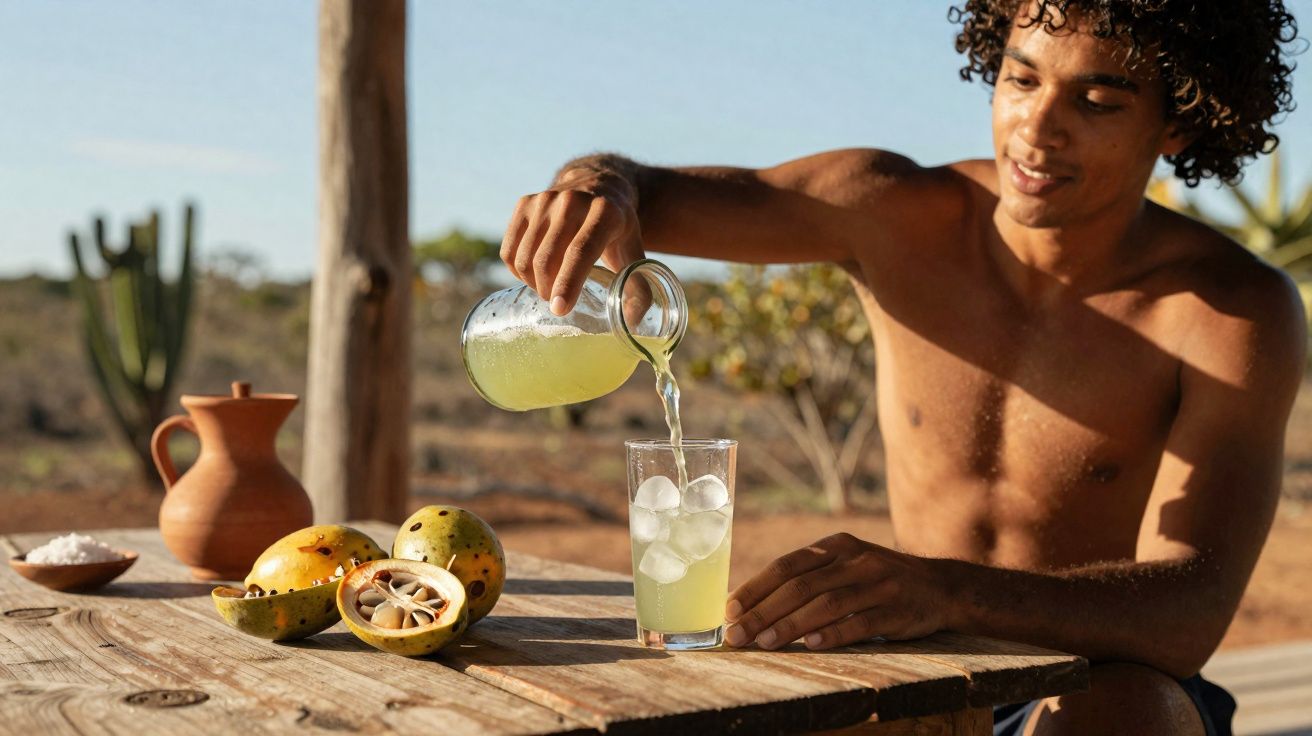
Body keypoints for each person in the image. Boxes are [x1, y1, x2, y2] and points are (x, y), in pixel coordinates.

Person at [498, 1, 1304, 733]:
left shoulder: (1231, 310)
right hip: (923, 666)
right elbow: (643, 191)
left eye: (1096, 101)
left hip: (1100, 681)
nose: (1037, 127)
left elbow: (1190, 611)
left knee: (1127, 713)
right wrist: (594, 188)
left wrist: (946, 590)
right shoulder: (891, 212)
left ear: (1178, 124)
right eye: (1020, 79)